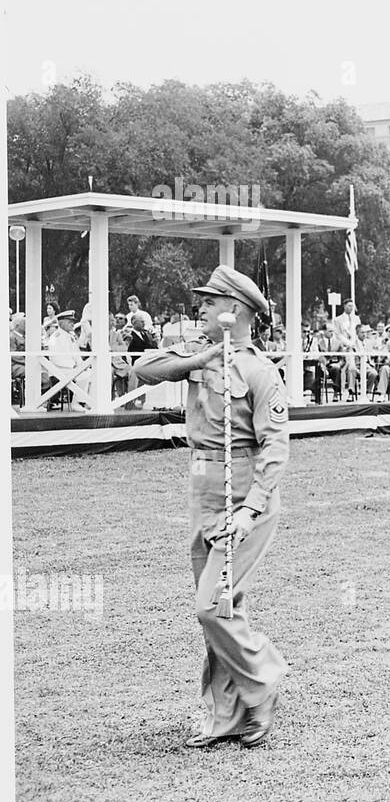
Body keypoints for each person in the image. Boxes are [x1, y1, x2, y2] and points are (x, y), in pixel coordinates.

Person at [132, 265, 288, 749]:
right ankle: (225, 715)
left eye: (207, 300)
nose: (198, 306)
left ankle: (264, 679)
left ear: (234, 309)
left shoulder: (260, 370)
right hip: (202, 484)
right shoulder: (202, 357)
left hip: (241, 488)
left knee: (210, 607)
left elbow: (276, 447)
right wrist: (202, 357)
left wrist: (250, 509)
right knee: (224, 605)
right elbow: (144, 369)